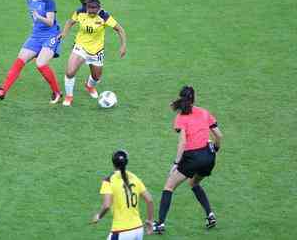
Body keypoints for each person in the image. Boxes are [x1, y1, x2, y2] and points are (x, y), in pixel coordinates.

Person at [153, 86, 224, 234]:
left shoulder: (181, 118)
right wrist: (216, 149)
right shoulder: (204, 112)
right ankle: (210, 215)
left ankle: (160, 224)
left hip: (192, 157)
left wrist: (176, 163)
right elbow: (219, 135)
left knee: (169, 187)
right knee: (194, 183)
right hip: (209, 156)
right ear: (194, 98)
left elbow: (183, 143)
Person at [0, 0, 62, 103]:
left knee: (41, 64)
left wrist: (38, 17)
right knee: (20, 59)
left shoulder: (48, 1)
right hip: (36, 36)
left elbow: (50, 22)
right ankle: (3, 90)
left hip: (50, 35)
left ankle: (57, 92)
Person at [57, 0, 127, 107]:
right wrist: (64, 33)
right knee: (70, 72)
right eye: (90, 9)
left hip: (96, 51)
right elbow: (70, 22)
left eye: (95, 9)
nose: (93, 11)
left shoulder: (104, 16)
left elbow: (120, 29)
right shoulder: (80, 12)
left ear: (99, 8)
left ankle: (89, 86)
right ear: (87, 7)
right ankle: (69, 96)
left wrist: (123, 46)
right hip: (81, 47)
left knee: (96, 77)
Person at [91, 150, 154, 239]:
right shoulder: (134, 177)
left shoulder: (109, 180)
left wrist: (98, 216)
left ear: (113, 163)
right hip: (138, 230)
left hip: (122, 232)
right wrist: (150, 221)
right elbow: (149, 200)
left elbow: (107, 205)